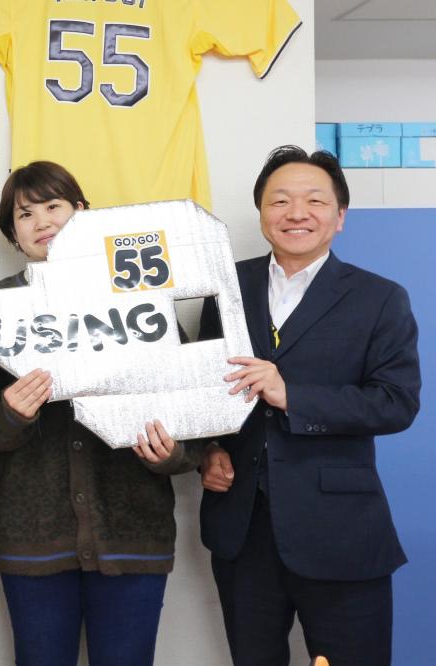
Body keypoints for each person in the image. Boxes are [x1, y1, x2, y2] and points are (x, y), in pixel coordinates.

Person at [0, 161, 200, 666]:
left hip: (132, 531)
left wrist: (171, 454)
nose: (42, 221)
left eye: (54, 206)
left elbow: (194, 412)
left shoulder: (141, 293)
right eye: (25, 214)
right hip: (33, 539)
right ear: (13, 233)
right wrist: (9, 413)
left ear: (82, 212)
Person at [199, 146, 421, 665]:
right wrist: (206, 451)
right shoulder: (224, 287)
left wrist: (291, 395)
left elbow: (395, 403)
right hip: (242, 531)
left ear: (340, 216)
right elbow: (201, 389)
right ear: (261, 213)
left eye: (315, 200)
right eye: (280, 200)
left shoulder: (380, 298)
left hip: (341, 531)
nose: (296, 212)